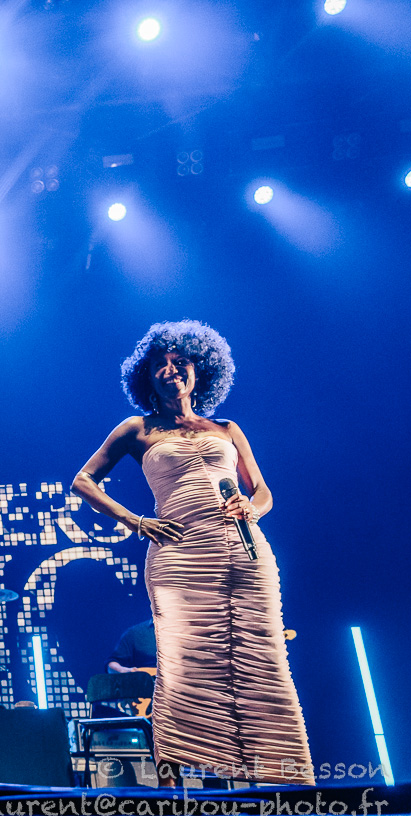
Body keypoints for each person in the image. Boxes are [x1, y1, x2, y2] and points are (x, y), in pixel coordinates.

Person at [71, 320, 312, 786]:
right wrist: (136, 521)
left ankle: (285, 783)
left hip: (244, 551)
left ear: (200, 370)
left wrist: (253, 508)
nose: (170, 370)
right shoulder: (137, 429)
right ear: (146, 378)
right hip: (179, 556)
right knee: (183, 665)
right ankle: (173, 792)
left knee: (263, 659)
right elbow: (83, 481)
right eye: (159, 365)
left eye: (179, 362)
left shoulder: (227, 428)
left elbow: (263, 492)